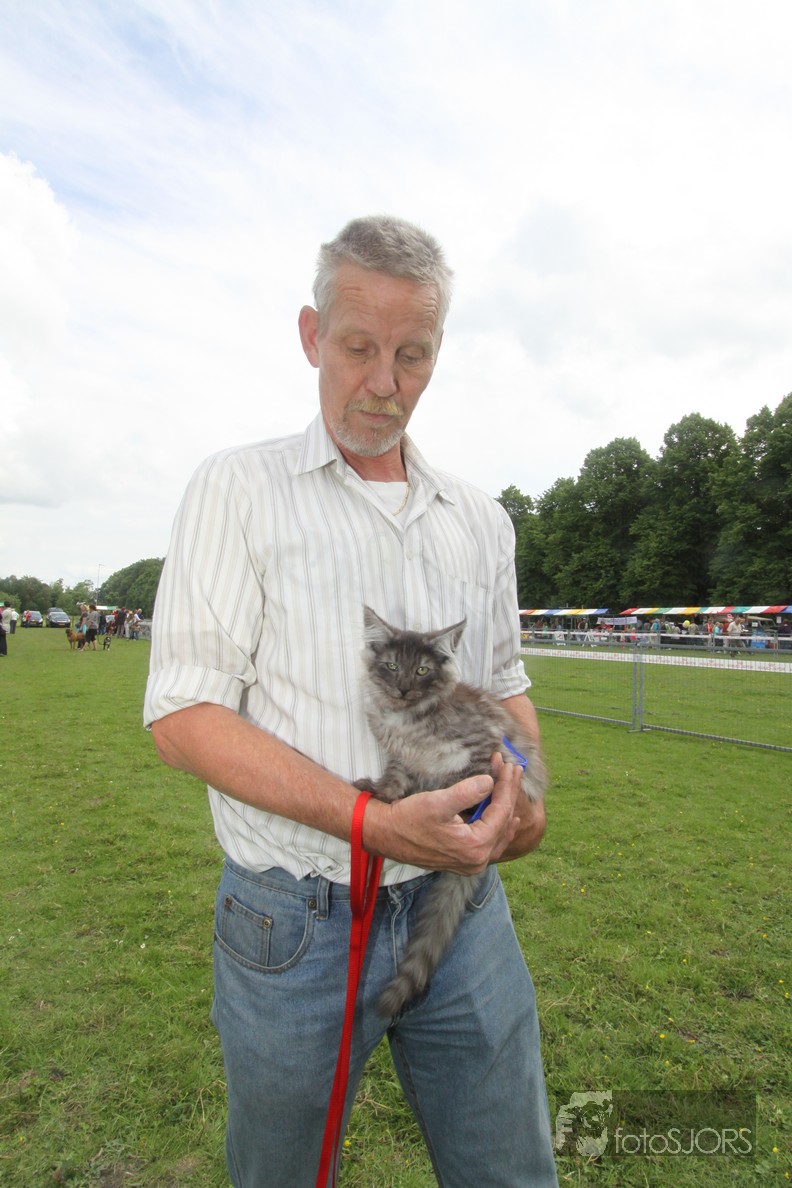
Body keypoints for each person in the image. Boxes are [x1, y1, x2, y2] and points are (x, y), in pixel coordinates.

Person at [144, 215, 558, 1187]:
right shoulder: (237, 490)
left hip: (464, 909)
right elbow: (184, 717)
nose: (383, 383)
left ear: (438, 353)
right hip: (297, 921)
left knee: (511, 1171)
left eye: (412, 355)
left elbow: (506, 689)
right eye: (358, 347)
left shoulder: (480, 520)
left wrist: (528, 799)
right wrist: (370, 821)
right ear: (311, 336)